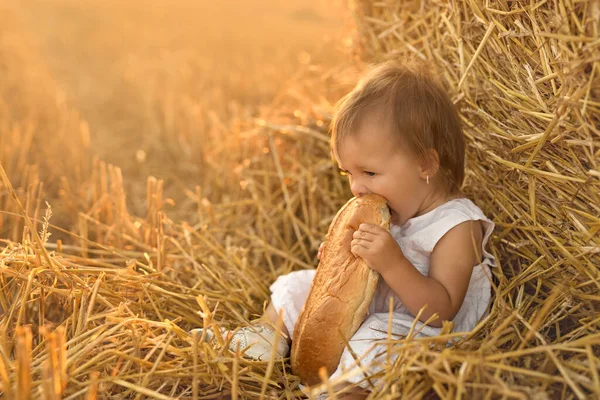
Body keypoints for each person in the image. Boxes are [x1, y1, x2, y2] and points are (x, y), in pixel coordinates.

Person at [191, 60, 497, 399]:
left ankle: (340, 393)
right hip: (375, 310)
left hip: (418, 331)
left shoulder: (456, 225)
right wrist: (339, 263)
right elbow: (357, 287)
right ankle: (266, 337)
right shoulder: (392, 210)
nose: (356, 188)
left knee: (377, 341)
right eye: (347, 173)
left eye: (369, 172)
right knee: (299, 285)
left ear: (425, 163)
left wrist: (392, 263)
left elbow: (442, 312)